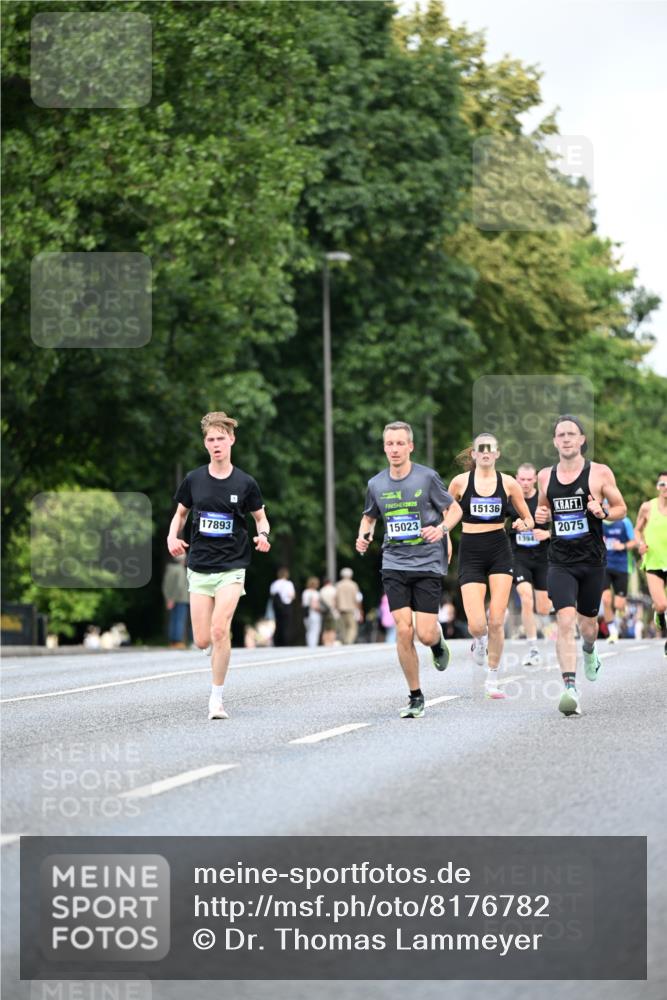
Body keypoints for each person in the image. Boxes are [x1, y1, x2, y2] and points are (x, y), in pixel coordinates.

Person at [167, 410, 271, 720]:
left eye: (221, 439)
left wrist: (263, 535)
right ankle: (213, 649)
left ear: (232, 440)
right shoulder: (194, 479)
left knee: (219, 630)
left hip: (232, 566)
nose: (216, 444)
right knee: (202, 639)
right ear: (205, 443)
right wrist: (172, 536)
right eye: (211, 439)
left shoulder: (245, 482)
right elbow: (181, 514)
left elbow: (261, 518)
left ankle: (217, 699)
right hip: (199, 566)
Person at [355, 421, 461, 719]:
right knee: (403, 629)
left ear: (410, 446)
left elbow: (454, 510)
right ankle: (415, 695)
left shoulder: (427, 478)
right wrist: (364, 537)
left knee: (424, 634)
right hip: (394, 562)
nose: (395, 449)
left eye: (400, 443)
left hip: (427, 562)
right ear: (384, 447)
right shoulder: (376, 484)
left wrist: (441, 530)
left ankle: (437, 641)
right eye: (390, 444)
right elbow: (369, 517)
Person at [536, 415, 627, 717]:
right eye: (560, 434)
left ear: (582, 439)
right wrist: (539, 519)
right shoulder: (544, 476)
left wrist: (601, 511)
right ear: (554, 441)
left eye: (571, 434)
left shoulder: (599, 473)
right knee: (564, 620)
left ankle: (590, 650)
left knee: (587, 627)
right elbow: (544, 509)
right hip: (559, 560)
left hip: (592, 560)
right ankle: (570, 688)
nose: (565, 439)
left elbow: (620, 508)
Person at [447, 433, 533, 699]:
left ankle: (492, 680)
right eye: (480, 449)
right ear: (473, 454)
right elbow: (446, 515)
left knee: (497, 619)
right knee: (477, 624)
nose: (485, 452)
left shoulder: (508, 484)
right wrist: (446, 541)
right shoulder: (459, 483)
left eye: (490, 449)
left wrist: (523, 524)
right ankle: (479, 641)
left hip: (499, 549)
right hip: (471, 550)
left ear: (497, 454)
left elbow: (528, 518)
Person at [506, 462, 552, 666]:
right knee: (525, 597)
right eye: (521, 479)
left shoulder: (543, 501)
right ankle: (533, 649)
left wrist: (548, 533)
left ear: (535, 480)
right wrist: (511, 527)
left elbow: (561, 522)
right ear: (516, 478)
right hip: (519, 557)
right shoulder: (510, 500)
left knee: (543, 608)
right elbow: (497, 524)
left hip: (542, 558)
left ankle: (548, 623)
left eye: (528, 479)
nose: (524, 483)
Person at [635, 471, 667, 657]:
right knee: (661, 605)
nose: (666, 488)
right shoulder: (647, 507)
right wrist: (640, 544)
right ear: (657, 487)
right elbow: (637, 530)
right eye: (662, 484)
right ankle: (659, 613)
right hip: (654, 562)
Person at [601, 507, 637, 642]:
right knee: (605, 599)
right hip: (603, 565)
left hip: (622, 566)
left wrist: (622, 546)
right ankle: (612, 631)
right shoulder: (598, 523)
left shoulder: (624, 521)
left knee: (619, 604)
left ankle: (620, 613)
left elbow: (634, 542)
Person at [162, 553, 191, 648]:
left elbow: (166, 586)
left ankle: (172, 641)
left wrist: (169, 599)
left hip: (171, 598)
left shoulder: (170, 569)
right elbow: (179, 586)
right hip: (181, 598)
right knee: (180, 620)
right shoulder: (180, 570)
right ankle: (178, 641)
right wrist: (173, 599)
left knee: (173, 620)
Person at [335, 568, 363, 644]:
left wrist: (336, 608)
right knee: (352, 627)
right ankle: (348, 641)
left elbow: (335, 598)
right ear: (351, 575)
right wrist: (360, 610)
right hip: (351, 609)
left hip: (341, 609)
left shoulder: (338, 585)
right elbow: (358, 598)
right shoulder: (353, 585)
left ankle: (344, 641)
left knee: (342, 627)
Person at [270, 567, 296, 646]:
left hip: (277, 606)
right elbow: (292, 595)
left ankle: (277, 642)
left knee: (278, 624)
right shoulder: (289, 584)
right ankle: (285, 642)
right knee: (286, 625)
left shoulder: (275, 583)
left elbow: (272, 594)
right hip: (287, 606)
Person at [301, 575, 323, 649]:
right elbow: (315, 605)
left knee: (308, 630)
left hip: (306, 614)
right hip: (314, 613)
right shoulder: (316, 593)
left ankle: (309, 644)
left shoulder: (305, 592)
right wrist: (321, 609)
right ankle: (313, 645)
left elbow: (304, 604)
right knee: (315, 630)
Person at [319, 578, 338, 645]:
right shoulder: (333, 590)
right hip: (332, 611)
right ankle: (331, 641)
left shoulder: (322, 590)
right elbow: (335, 600)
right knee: (332, 628)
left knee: (325, 628)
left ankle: (325, 642)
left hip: (324, 612)